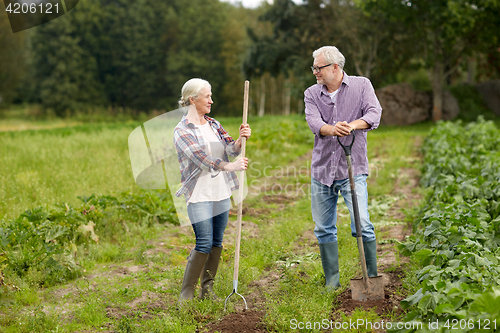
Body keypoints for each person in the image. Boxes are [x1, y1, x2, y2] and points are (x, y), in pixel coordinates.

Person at [304, 46, 382, 290]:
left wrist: (352, 126)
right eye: (314, 67)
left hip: (353, 168)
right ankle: (332, 282)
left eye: (319, 67)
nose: (315, 72)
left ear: (335, 67)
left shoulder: (361, 85)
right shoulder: (311, 93)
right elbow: (313, 121)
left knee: (363, 224)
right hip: (322, 170)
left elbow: (374, 113)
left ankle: (371, 278)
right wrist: (331, 128)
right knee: (323, 229)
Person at [174, 78, 251, 302]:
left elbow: (230, 149)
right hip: (199, 194)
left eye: (211, 95)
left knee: (217, 241)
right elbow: (202, 159)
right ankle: (186, 293)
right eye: (207, 96)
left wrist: (239, 140)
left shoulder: (213, 124)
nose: (211, 100)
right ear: (192, 99)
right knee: (204, 242)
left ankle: (207, 291)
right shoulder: (182, 130)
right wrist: (231, 166)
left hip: (220, 192)